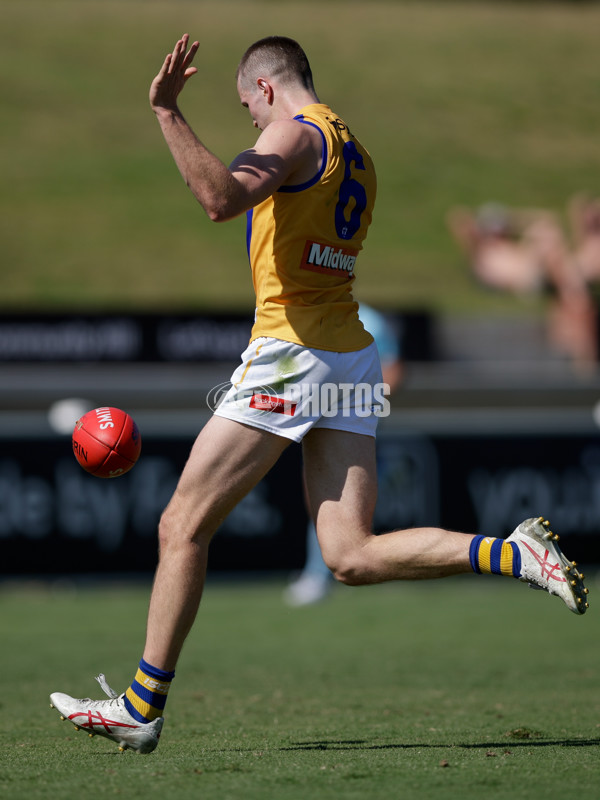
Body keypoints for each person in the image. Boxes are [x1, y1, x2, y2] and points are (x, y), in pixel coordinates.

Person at [49, 34, 589, 755]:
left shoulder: (294, 134)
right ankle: (514, 554)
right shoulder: (356, 150)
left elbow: (220, 199)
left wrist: (167, 112)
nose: (252, 123)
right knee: (350, 554)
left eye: (247, 107)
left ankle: (141, 705)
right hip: (351, 358)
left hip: (292, 354)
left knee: (181, 525)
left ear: (267, 89)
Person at [284, 303, 403, 607]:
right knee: (323, 496)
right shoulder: (308, 313)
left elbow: (393, 370)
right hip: (320, 417)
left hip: (353, 424)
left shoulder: (370, 319)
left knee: (345, 499)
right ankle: (320, 573)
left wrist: (359, 406)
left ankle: (326, 575)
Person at [447, 203, 597, 368]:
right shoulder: (482, 255)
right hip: (528, 280)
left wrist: (511, 218)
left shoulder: (508, 247)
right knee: (550, 243)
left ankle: (574, 285)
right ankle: (575, 284)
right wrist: (483, 227)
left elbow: (546, 217)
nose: (498, 234)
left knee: (548, 234)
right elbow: (458, 218)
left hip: (538, 272)